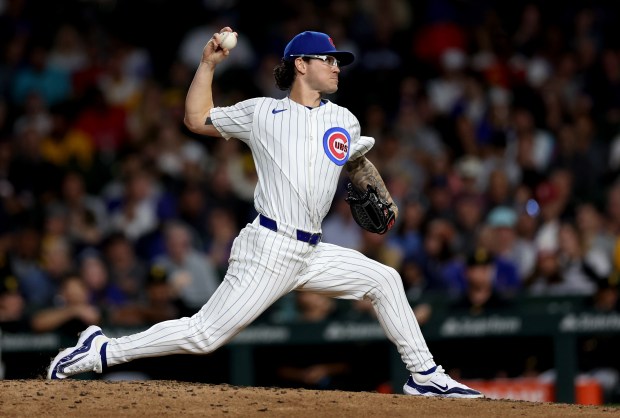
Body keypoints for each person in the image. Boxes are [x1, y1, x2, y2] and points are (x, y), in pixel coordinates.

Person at [46, 27, 483, 398]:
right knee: (203, 336)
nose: (336, 66)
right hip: (269, 249)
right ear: (300, 65)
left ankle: (424, 375)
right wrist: (208, 64)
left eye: (337, 61)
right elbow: (196, 120)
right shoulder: (262, 113)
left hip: (313, 251)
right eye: (327, 59)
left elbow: (348, 165)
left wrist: (361, 169)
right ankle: (102, 350)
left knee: (385, 279)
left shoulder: (346, 120)